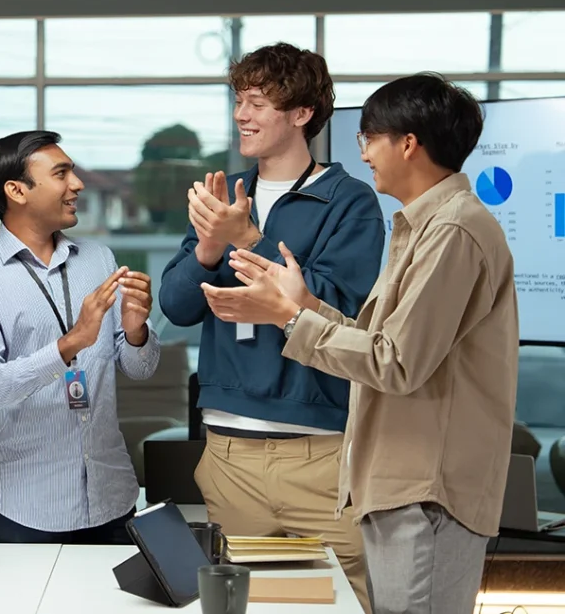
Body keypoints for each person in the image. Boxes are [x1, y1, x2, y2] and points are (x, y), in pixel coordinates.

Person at [203, 73, 518, 614]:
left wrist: (288, 317)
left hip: (426, 486)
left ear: (408, 144)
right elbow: (380, 341)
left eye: (369, 138)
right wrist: (303, 306)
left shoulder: (453, 230)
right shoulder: (423, 226)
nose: (365, 154)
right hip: (400, 480)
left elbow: (393, 363)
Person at [159, 42, 384, 610]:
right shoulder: (224, 196)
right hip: (229, 455)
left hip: (321, 458)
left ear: (302, 114)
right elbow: (179, 305)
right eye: (239, 99)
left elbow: (340, 310)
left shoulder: (348, 201)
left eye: (258, 102)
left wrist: (246, 241)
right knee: (249, 606)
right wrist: (209, 245)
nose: (242, 114)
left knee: (337, 605)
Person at [0, 130, 161, 544]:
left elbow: (140, 368)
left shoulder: (99, 258)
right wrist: (69, 344)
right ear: (16, 190)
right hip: (22, 508)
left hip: (112, 497)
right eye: (61, 174)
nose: (77, 185)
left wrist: (136, 331)